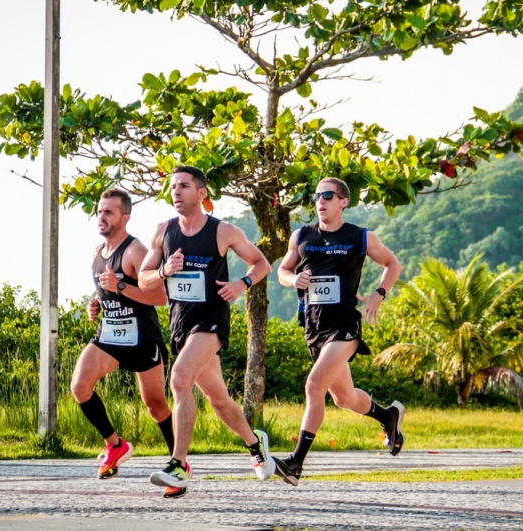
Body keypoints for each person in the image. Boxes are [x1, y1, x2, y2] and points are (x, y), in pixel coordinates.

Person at [138, 165, 276, 493]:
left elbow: (262, 263)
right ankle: (255, 443)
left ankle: (179, 465)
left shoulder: (222, 231)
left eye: (184, 186)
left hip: (211, 321)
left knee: (179, 379)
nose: (176, 191)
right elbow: (143, 279)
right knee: (219, 400)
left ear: (201, 193)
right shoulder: (163, 231)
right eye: (173, 186)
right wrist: (164, 271)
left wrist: (241, 284)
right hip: (181, 325)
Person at [274, 177, 404, 486]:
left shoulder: (360, 237)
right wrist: (293, 280)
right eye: (317, 195)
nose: (320, 200)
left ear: (343, 201)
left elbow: (392, 264)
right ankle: (387, 416)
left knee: (314, 385)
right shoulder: (302, 236)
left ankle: (295, 463)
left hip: (344, 326)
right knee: (343, 398)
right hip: (314, 326)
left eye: (328, 195)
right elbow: (282, 270)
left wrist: (379, 294)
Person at [69, 188, 186, 498]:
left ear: (124, 217)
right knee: (80, 386)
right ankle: (115, 445)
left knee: (155, 405)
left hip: (141, 337)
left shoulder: (135, 251)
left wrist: (120, 286)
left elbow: (161, 297)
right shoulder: (98, 251)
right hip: (110, 335)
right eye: (100, 211)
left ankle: (179, 465)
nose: (101, 217)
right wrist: (97, 304)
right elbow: (104, 290)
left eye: (108, 212)